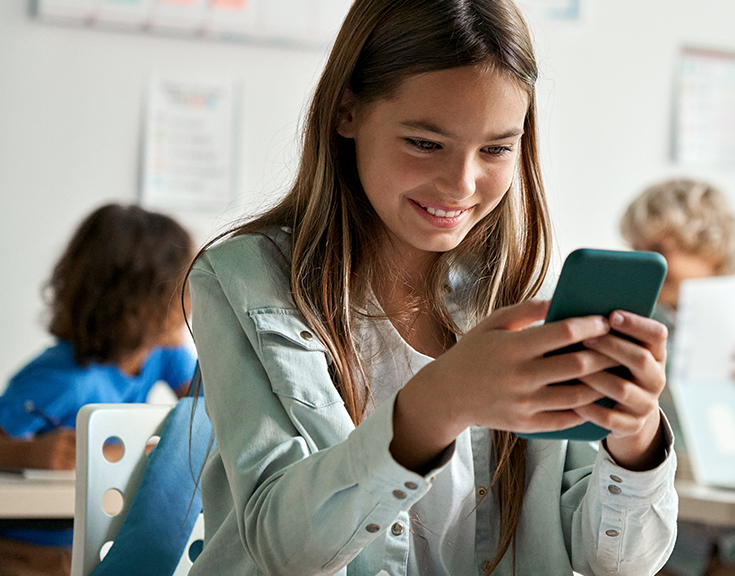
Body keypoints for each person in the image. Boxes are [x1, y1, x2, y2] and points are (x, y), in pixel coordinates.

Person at [186, 1, 678, 575]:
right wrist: (439, 403)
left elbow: (616, 563)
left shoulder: (523, 295)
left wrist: (637, 435)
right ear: (348, 110)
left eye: (495, 149)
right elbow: (284, 546)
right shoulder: (243, 280)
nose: (461, 184)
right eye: (424, 143)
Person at [0, 203, 197, 576]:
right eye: (181, 287)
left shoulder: (164, 353)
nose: (192, 299)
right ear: (135, 306)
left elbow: (209, 415)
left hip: (93, 532)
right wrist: (30, 454)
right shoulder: (61, 380)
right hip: (32, 544)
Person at [620, 178, 735, 576]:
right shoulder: (630, 331)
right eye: (637, 250)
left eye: (660, 250)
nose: (647, 263)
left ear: (712, 250)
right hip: (663, 544)